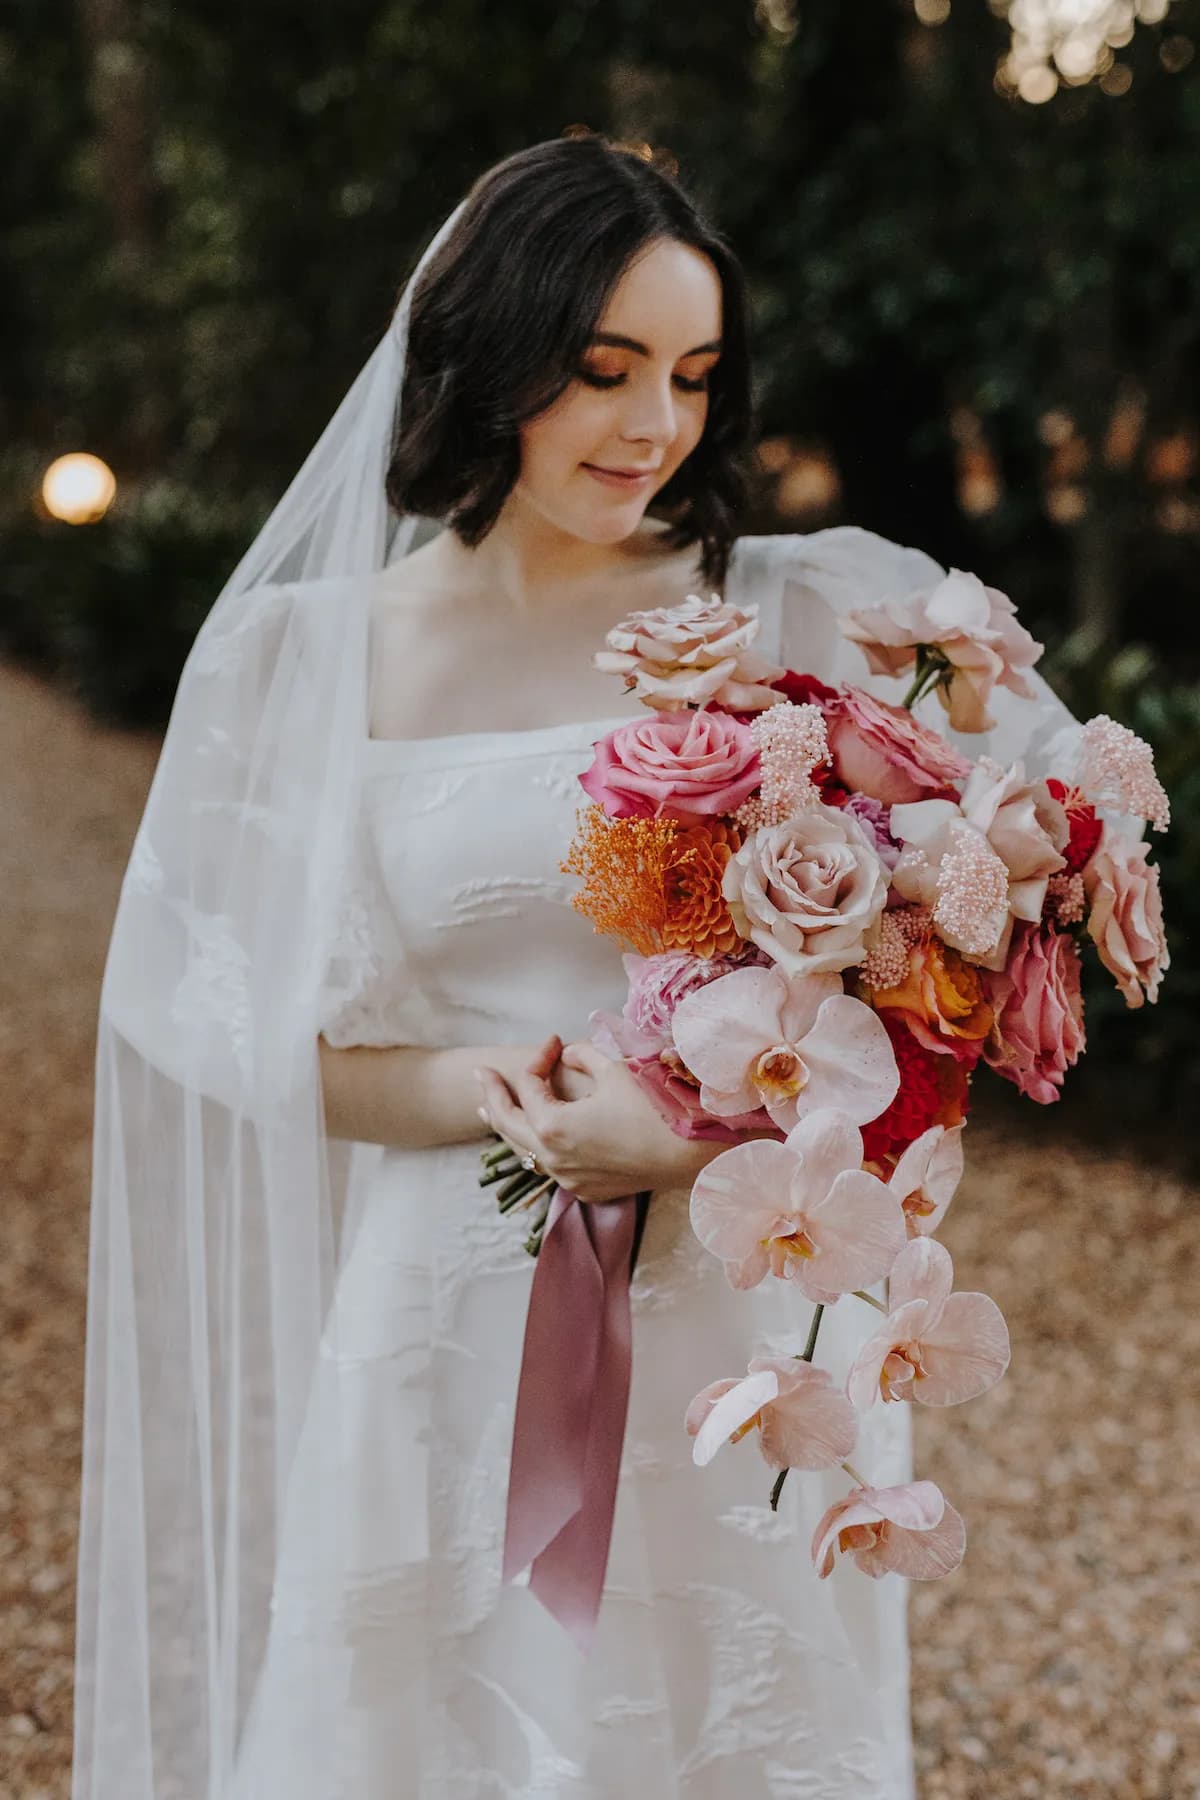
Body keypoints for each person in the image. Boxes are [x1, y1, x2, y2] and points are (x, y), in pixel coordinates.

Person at [76, 133, 1073, 1799]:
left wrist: (688, 1138)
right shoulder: (299, 660)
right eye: (603, 372)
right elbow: (221, 1024)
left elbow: (986, 927)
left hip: (744, 1306)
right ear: (488, 356)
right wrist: (498, 1097)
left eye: (692, 375)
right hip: (439, 1300)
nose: (654, 427)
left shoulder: (801, 618)